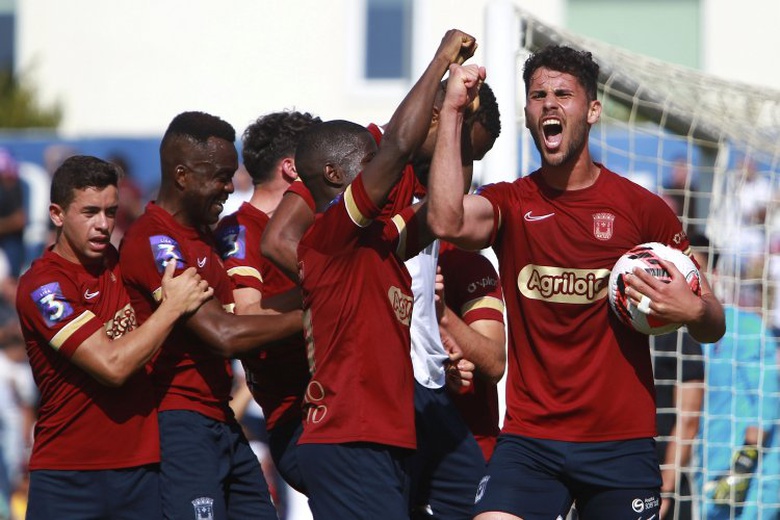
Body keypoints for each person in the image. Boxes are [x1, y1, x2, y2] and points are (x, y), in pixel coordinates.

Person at [425, 45, 726, 520]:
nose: (549, 103)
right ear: (527, 112)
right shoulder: (510, 203)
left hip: (620, 446)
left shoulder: (641, 209)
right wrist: (454, 113)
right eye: (538, 94)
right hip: (530, 442)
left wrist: (693, 311)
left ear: (592, 110)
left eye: (563, 93)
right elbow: (445, 220)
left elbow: (714, 321)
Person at [261, 79, 502, 520]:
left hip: (388, 426)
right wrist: (440, 64)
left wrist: (453, 121)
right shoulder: (333, 239)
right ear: (338, 176)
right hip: (349, 434)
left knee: (480, 502)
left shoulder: (380, 243)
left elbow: (439, 215)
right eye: (371, 164)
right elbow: (394, 150)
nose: (387, 177)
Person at [119, 111, 304, 520]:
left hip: (218, 418)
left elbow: (246, 313)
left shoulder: (203, 238)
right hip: (178, 421)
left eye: (231, 174)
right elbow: (223, 333)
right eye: (220, 176)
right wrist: (316, 317)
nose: (228, 187)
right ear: (182, 175)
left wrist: (321, 291)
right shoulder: (155, 239)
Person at [14, 155, 213, 519]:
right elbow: (112, 366)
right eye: (89, 212)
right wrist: (172, 307)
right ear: (57, 214)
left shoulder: (124, 266)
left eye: (110, 212)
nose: (103, 225)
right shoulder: (43, 286)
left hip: (141, 471)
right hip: (67, 476)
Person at [214, 110, 321, 499]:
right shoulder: (239, 229)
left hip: (351, 408)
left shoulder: (319, 225)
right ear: (293, 168)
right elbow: (247, 317)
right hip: (299, 420)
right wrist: (328, 295)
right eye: (319, 160)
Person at [691, 239, 780, 519]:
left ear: (712, 275)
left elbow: (768, 397)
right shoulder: (677, 335)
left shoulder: (746, 328)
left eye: (695, 270)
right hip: (703, 462)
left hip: (745, 470)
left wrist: (744, 460)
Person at [436, 241, 506, 462]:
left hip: (468, 446)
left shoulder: (465, 262)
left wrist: (441, 314)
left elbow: (495, 363)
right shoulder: (374, 260)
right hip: (393, 444)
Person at [650, 328, 704, 519]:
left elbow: (688, 418)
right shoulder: (680, 334)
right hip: (634, 469)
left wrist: (665, 488)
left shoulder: (679, 337)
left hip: (662, 478)